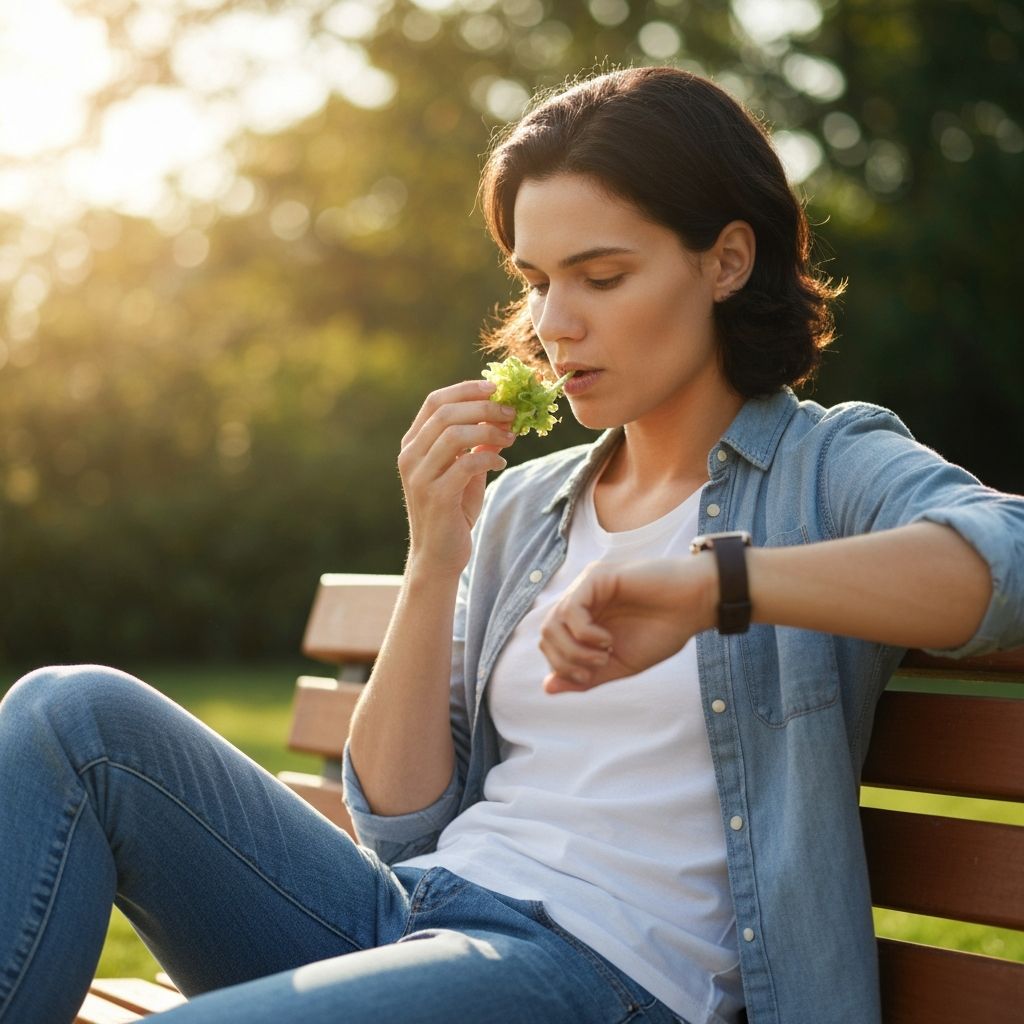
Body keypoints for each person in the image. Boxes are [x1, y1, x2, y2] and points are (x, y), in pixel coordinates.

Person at [0, 67, 1020, 1024]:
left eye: (601, 275)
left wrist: (717, 585)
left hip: (598, 974)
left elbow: (1007, 553)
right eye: (535, 280)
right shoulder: (530, 504)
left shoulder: (824, 466)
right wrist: (435, 555)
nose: (554, 324)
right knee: (70, 714)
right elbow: (399, 822)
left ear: (726, 259)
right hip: (416, 916)